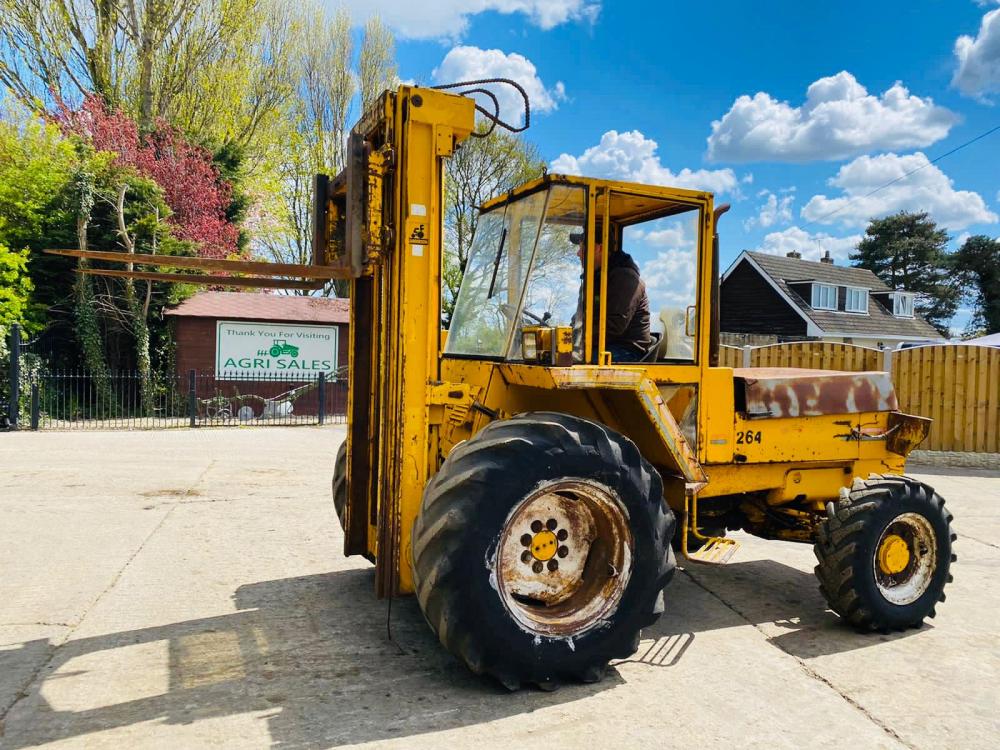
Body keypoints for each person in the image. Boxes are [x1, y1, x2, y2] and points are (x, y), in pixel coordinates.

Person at [570, 230, 652, 362]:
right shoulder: (595, 278)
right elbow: (581, 317)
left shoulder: (626, 278)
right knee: (555, 355)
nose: (578, 253)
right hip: (602, 345)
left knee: (571, 361)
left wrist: (576, 338)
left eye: (582, 248)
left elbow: (613, 326)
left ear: (599, 248)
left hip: (627, 350)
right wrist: (567, 334)